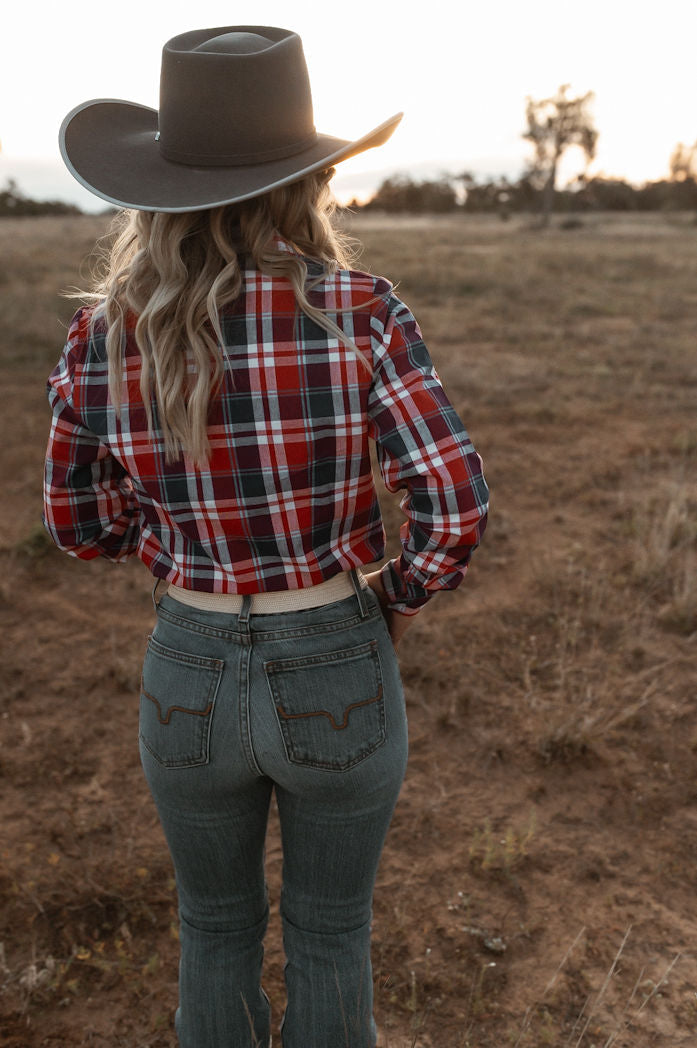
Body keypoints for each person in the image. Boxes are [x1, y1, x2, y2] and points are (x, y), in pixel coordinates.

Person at [44, 25, 489, 1048]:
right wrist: (394, 596)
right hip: (335, 646)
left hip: (188, 659)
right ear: (306, 183)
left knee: (213, 930)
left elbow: (75, 522)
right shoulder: (360, 310)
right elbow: (453, 503)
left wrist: (171, 544)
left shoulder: (104, 333)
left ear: (159, 187)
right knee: (331, 933)